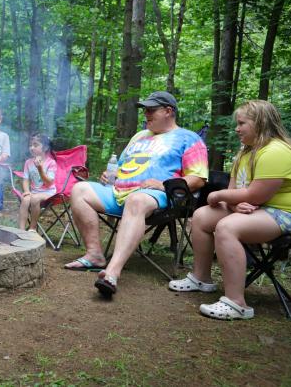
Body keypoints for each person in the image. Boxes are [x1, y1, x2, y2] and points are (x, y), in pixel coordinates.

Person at [169, 100, 291, 320]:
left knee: (227, 227)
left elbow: (255, 196)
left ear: (260, 123)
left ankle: (236, 303)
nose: (237, 128)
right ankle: (201, 278)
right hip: (261, 209)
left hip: (289, 213)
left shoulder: (276, 152)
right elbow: (236, 191)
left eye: (242, 123)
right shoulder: (245, 152)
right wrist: (233, 203)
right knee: (202, 216)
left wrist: (219, 196)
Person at [65, 91, 208, 298]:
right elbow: (122, 166)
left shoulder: (189, 138)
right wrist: (109, 176)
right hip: (118, 192)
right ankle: (94, 254)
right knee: (79, 189)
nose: (146, 115)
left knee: (136, 199)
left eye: (151, 110)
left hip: (155, 196)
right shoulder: (140, 136)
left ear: (168, 111)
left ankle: (112, 273)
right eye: (145, 111)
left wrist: (164, 184)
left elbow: (198, 179)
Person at [17, 133, 56, 234]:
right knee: (25, 200)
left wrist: (40, 168)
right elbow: (25, 179)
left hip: (48, 192)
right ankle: (20, 231)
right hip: (34, 191)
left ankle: (32, 228)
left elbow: (48, 183)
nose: (31, 147)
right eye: (31, 145)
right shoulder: (28, 162)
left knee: (34, 199)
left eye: (35, 145)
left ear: (45, 147)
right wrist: (26, 191)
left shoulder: (51, 163)